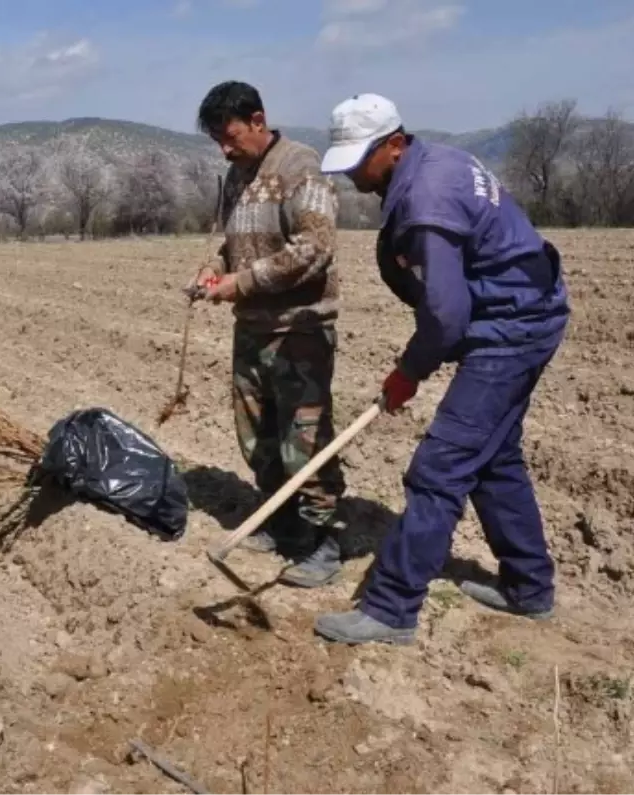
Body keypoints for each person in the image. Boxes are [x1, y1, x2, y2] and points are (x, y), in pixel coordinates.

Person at [312, 93, 570, 645]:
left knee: (439, 467)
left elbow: (446, 318)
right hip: (523, 311)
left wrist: (409, 372)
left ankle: (391, 609)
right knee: (494, 458)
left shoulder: (426, 196)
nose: (354, 173)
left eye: (360, 159)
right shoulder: (439, 160)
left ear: (395, 144)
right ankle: (529, 588)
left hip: (511, 329)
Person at [191, 80, 347, 588]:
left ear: (258, 121)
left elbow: (314, 248)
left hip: (299, 330)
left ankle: (320, 540)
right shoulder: (237, 177)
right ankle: (279, 522)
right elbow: (232, 244)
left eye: (231, 136)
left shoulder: (300, 168)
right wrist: (213, 271)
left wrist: (244, 281)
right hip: (252, 330)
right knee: (257, 436)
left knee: (304, 438)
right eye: (217, 139)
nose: (225, 148)